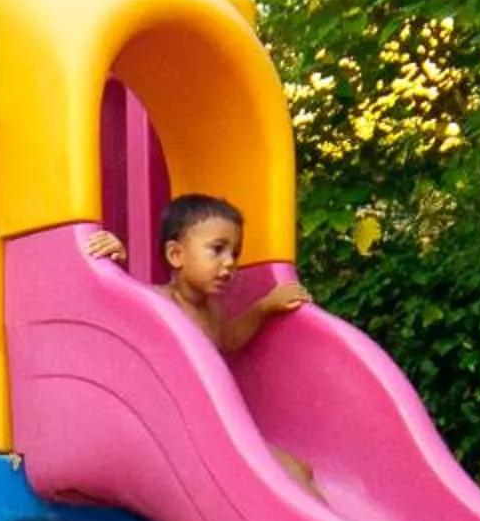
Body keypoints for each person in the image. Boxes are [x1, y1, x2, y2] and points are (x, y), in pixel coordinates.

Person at [86, 195, 318, 493]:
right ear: (176, 255)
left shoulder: (212, 310)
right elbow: (116, 311)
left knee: (301, 469)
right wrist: (112, 260)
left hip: (213, 429)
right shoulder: (157, 302)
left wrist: (264, 307)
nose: (229, 263)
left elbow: (229, 340)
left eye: (235, 253)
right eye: (217, 249)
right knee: (288, 473)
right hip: (177, 437)